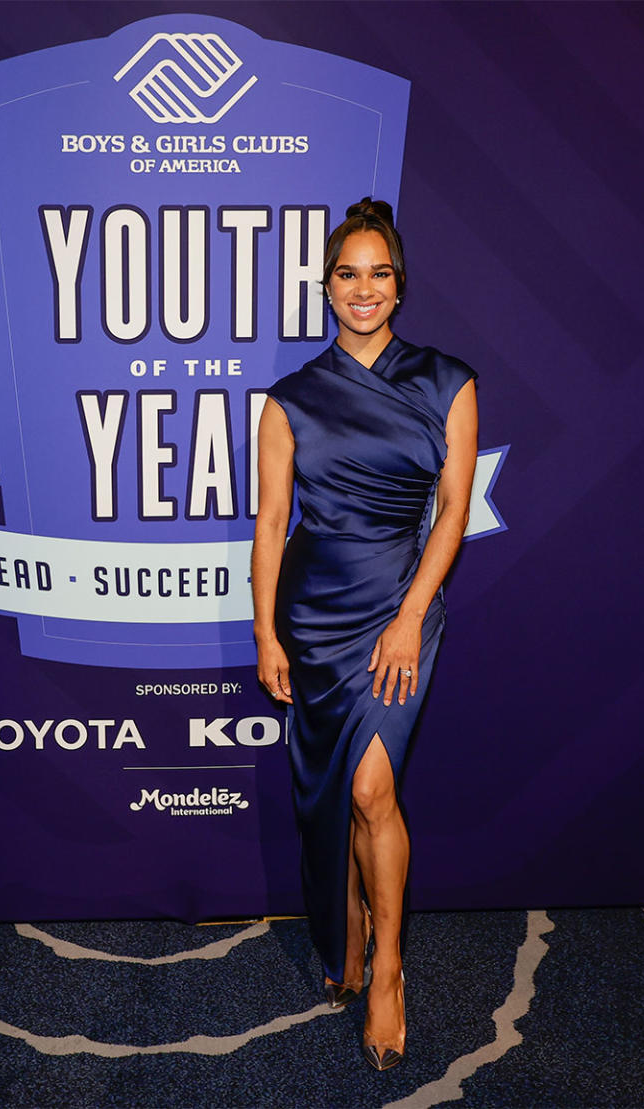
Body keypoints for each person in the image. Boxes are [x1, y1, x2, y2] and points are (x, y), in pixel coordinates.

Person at [251, 198, 478, 1069]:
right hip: (313, 614)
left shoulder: (448, 381)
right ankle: (344, 920)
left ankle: (387, 970)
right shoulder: (289, 399)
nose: (363, 289)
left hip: (401, 605)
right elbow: (272, 524)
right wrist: (268, 633)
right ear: (326, 285)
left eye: (379, 273)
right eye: (348, 273)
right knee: (337, 791)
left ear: (400, 283)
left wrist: (410, 617)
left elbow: (453, 511)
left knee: (374, 790)